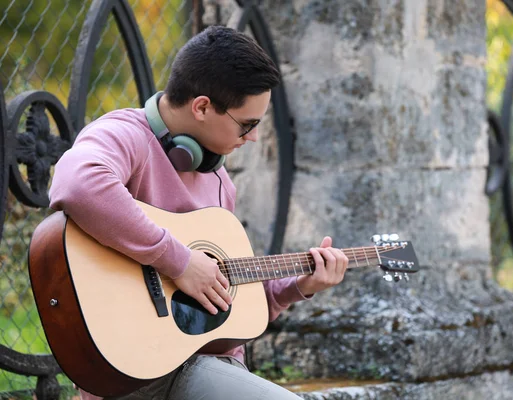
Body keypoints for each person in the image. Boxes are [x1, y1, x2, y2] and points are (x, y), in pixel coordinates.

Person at [49, 26, 348, 400]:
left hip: (206, 362)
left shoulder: (219, 178)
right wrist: (178, 261)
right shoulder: (124, 134)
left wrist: (298, 287)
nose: (253, 137)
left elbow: (227, 306)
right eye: (248, 124)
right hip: (143, 368)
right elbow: (77, 184)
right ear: (202, 106)